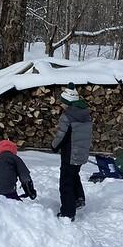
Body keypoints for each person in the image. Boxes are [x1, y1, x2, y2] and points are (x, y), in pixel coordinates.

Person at [51, 83, 93, 220]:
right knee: (75, 175)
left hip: (70, 153)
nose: (61, 106)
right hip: (81, 153)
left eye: (63, 103)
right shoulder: (85, 114)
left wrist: (54, 146)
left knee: (65, 182)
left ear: (67, 102)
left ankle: (67, 213)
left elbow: (61, 136)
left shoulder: (67, 116)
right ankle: (79, 199)